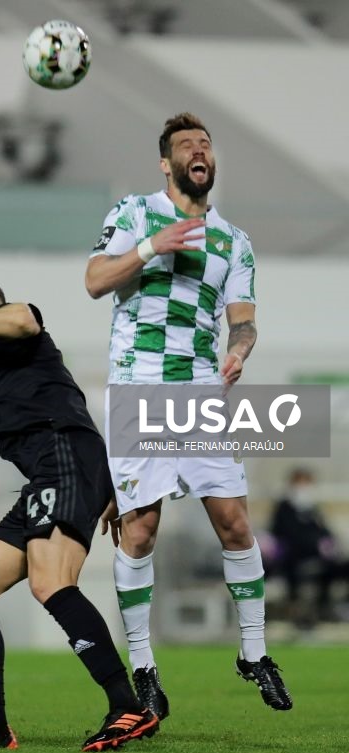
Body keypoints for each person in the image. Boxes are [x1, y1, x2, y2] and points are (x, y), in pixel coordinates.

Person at [85, 112, 293, 716]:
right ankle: (145, 669)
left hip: (202, 392)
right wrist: (152, 247)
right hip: (138, 389)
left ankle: (253, 651)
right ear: (166, 162)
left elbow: (244, 320)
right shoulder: (134, 213)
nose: (199, 151)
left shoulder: (234, 240)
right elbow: (95, 280)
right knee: (141, 529)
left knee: (234, 522)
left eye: (205, 144)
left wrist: (239, 350)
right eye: (186, 145)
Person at [0, 276, 159, 752]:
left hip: (63, 459)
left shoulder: (17, 327)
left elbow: (25, 317)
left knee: (50, 582)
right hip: (46, 474)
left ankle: (127, 706)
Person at [269, 467, 349, 625]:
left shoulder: (312, 510)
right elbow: (285, 533)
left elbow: (326, 532)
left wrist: (328, 544)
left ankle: (330, 607)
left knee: (342, 566)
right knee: (293, 570)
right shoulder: (284, 508)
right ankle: (296, 611)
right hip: (293, 558)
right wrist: (314, 543)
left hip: (319, 558)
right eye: (302, 483)